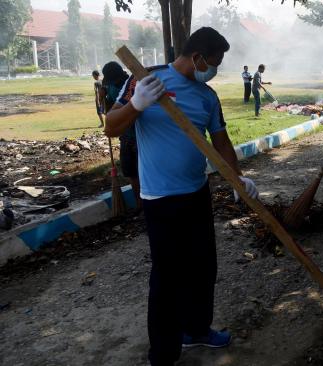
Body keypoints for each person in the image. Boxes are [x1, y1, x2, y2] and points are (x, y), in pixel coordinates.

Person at [105, 27, 259, 366]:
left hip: (196, 192)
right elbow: (111, 127)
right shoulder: (146, 80)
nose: (214, 68)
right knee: (167, 278)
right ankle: (162, 355)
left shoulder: (206, 96)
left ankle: (196, 330)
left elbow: (220, 141)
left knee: (203, 266)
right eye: (214, 62)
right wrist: (135, 104)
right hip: (160, 198)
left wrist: (237, 178)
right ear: (198, 57)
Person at [102, 61, 142, 210]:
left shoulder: (131, 85)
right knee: (131, 172)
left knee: (143, 172)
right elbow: (108, 111)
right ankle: (139, 204)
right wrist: (103, 98)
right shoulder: (111, 86)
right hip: (126, 136)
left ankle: (146, 203)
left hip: (139, 135)